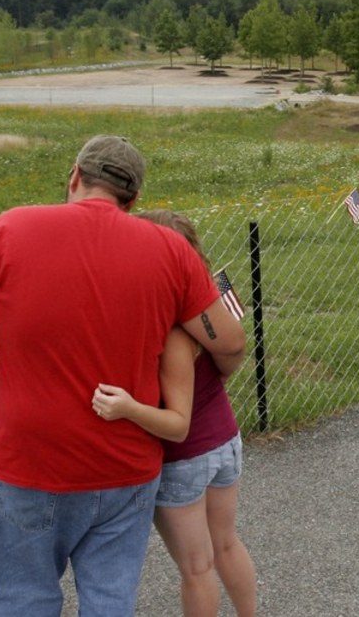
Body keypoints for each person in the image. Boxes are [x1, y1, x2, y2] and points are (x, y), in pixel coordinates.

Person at [0, 135, 246, 616]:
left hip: (26, 463)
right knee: (109, 604)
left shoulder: (9, 229)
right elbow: (229, 341)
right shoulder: (170, 249)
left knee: (23, 602)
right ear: (133, 199)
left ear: (75, 176)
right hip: (125, 471)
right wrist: (212, 381)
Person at [92, 209, 257, 617]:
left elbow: (176, 424)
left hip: (182, 458)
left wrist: (128, 409)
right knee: (226, 544)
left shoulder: (161, 323)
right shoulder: (202, 313)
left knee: (196, 568)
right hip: (224, 440)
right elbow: (231, 350)